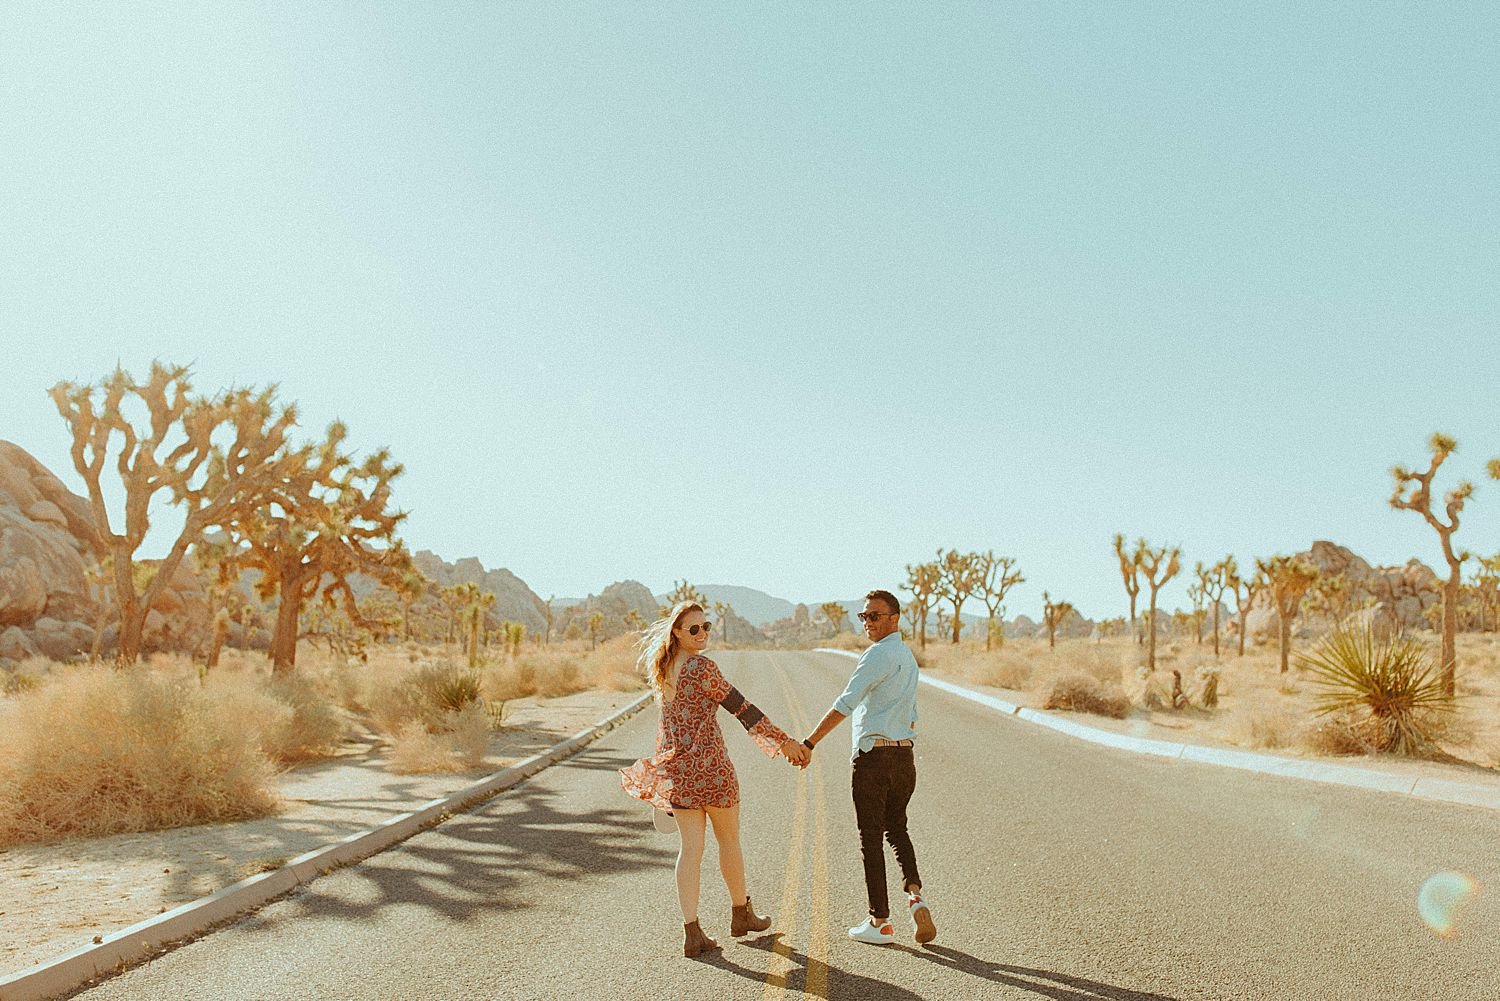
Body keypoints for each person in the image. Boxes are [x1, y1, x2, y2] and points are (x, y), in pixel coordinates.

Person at [620, 601, 810, 957]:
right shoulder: (702, 667)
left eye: (705, 626)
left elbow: (665, 732)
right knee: (729, 840)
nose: (703, 633)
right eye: (694, 629)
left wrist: (665, 773)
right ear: (676, 632)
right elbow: (742, 708)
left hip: (681, 775)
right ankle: (741, 915)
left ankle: (692, 932)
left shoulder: (662, 671)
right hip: (713, 770)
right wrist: (784, 742)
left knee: (690, 851)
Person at [800, 588, 936, 946]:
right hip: (904, 756)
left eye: (874, 616)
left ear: (894, 619)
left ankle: (880, 921)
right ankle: (916, 897)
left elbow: (846, 703)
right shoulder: (907, 657)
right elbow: (912, 714)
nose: (867, 623)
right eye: (863, 616)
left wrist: (810, 742)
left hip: (874, 757)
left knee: (871, 838)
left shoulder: (877, 655)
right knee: (898, 829)